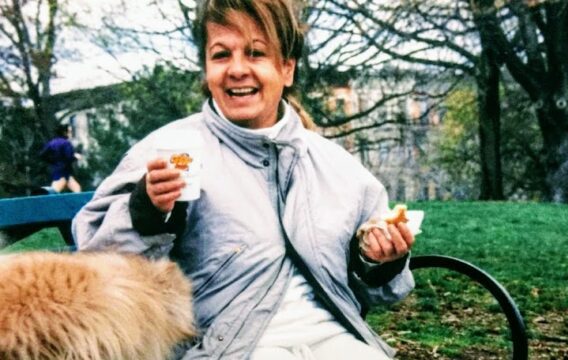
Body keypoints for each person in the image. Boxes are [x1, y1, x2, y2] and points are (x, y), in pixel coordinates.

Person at [72, 0, 415, 359]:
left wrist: (377, 261)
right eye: (221, 55)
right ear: (206, 68)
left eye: (255, 54)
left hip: (333, 339)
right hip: (228, 348)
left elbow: (379, 291)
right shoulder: (168, 151)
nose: (237, 70)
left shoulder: (335, 167)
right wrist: (147, 212)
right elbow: (98, 266)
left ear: (287, 69)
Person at [40, 124, 82, 193]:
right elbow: (69, 157)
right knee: (54, 192)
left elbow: (42, 155)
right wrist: (76, 157)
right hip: (63, 172)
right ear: (65, 133)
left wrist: (52, 162)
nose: (71, 134)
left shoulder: (51, 143)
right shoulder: (66, 143)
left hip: (58, 170)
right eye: (70, 132)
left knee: (77, 189)